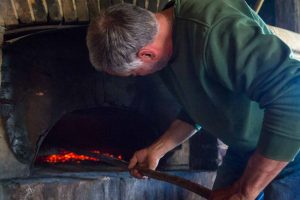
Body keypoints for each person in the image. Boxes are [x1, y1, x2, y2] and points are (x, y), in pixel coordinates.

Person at [86, 0, 300, 199]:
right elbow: (200, 104)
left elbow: (293, 99)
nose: (138, 76)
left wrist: (246, 191)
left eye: (134, 73)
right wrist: (157, 149)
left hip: (289, 147)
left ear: (147, 54)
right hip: (246, 146)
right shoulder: (161, 41)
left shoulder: (216, 32)